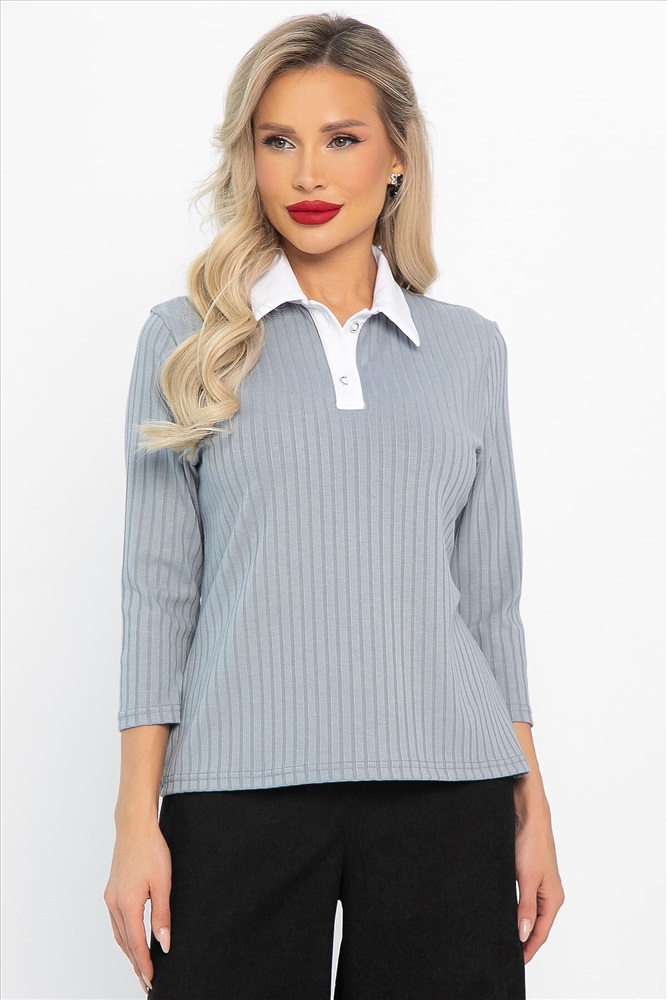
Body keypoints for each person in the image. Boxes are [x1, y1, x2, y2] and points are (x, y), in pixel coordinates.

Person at [103, 12, 565, 999]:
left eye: (341, 139)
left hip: (449, 790)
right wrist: (134, 820)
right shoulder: (185, 342)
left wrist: (534, 812)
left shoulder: (467, 349)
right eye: (278, 141)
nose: (307, 174)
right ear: (250, 158)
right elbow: (157, 597)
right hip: (236, 790)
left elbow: (490, 606)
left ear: (396, 156)